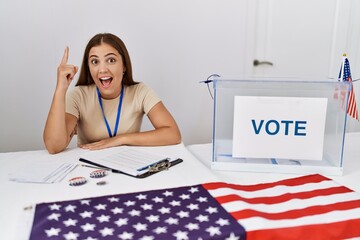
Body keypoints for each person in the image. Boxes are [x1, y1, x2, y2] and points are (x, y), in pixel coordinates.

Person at [44, 33, 181, 154]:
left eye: (111, 60)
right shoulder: (78, 96)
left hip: (127, 164)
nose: (102, 69)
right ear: (89, 67)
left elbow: (173, 134)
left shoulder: (140, 92)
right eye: (95, 61)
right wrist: (60, 89)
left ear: (124, 66)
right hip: (90, 169)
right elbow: (53, 147)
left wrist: (120, 139)